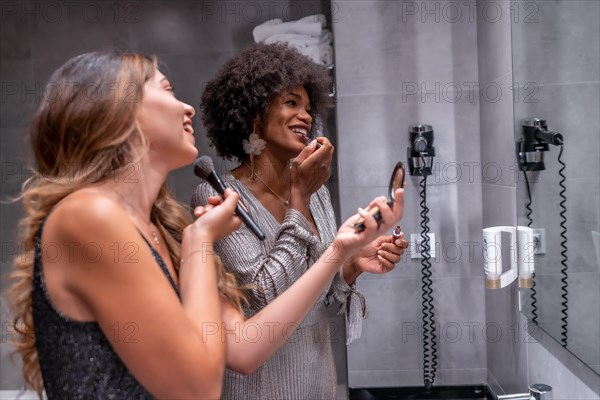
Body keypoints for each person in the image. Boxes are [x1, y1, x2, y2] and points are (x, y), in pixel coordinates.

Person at [8, 50, 405, 400]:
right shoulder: (88, 215)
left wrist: (341, 252)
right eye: (165, 90)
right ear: (116, 112)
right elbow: (196, 389)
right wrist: (200, 242)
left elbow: (244, 350)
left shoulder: (166, 230)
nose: (187, 108)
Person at [192, 42, 410, 399]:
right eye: (292, 103)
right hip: (259, 388)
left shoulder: (316, 192)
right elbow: (264, 296)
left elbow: (319, 298)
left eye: (309, 108)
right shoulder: (218, 196)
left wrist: (351, 265)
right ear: (254, 116)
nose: (307, 117)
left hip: (317, 382)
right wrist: (299, 200)